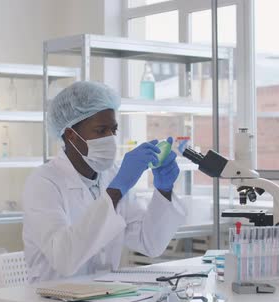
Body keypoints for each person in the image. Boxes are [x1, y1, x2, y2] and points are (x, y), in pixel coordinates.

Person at [23, 81, 186, 283]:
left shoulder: (111, 174)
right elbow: (64, 258)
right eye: (101, 131)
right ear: (71, 135)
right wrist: (116, 191)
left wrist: (164, 190)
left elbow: (149, 243)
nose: (110, 138)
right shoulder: (44, 182)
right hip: (52, 301)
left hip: (105, 296)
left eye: (113, 130)